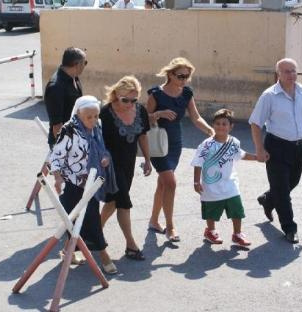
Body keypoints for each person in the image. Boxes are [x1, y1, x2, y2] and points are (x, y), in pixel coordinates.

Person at [147, 57, 214, 242]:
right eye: (180, 76)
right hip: (158, 143)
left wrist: (210, 130)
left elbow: (196, 117)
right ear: (170, 74)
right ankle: (170, 227)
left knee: (163, 184)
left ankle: (154, 221)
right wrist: (158, 114)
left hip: (175, 143)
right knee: (171, 183)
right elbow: (143, 119)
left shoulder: (186, 93)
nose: (184, 79)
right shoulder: (156, 94)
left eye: (187, 76)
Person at [249, 58, 302, 244]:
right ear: (278, 74)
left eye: (293, 70)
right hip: (276, 147)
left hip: (297, 147)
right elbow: (255, 123)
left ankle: (268, 199)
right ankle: (289, 228)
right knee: (283, 192)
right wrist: (259, 149)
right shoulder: (269, 96)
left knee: (291, 182)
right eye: (286, 71)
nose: (291, 75)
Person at [49, 95, 118, 274]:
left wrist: (104, 158)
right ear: (79, 114)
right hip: (71, 183)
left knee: (87, 218)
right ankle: (104, 256)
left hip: (92, 182)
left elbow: (102, 148)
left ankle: (68, 252)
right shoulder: (69, 130)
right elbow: (56, 157)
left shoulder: (97, 126)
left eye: (96, 116)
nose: (93, 120)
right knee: (75, 219)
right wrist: (57, 179)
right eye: (89, 117)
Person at [100, 76, 152, 261]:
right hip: (109, 166)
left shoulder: (140, 111)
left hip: (128, 163)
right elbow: (97, 142)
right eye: (125, 100)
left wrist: (147, 159)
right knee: (123, 201)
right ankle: (131, 245)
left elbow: (143, 136)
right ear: (115, 95)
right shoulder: (105, 113)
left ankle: (93, 233)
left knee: (113, 202)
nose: (130, 104)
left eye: (134, 100)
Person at [191, 109, 256, 247]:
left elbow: (242, 155)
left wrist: (257, 157)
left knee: (237, 209)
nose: (221, 126)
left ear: (231, 126)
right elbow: (198, 163)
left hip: (230, 184)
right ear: (213, 125)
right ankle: (211, 231)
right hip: (211, 186)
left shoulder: (234, 142)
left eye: (224, 124)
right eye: (218, 123)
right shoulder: (206, 145)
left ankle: (237, 234)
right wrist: (197, 181)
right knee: (211, 210)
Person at [44, 47, 87, 149]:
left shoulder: (74, 76)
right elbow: (57, 126)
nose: (85, 66)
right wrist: (68, 147)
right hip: (65, 144)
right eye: (84, 62)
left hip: (77, 137)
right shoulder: (55, 87)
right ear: (76, 64)